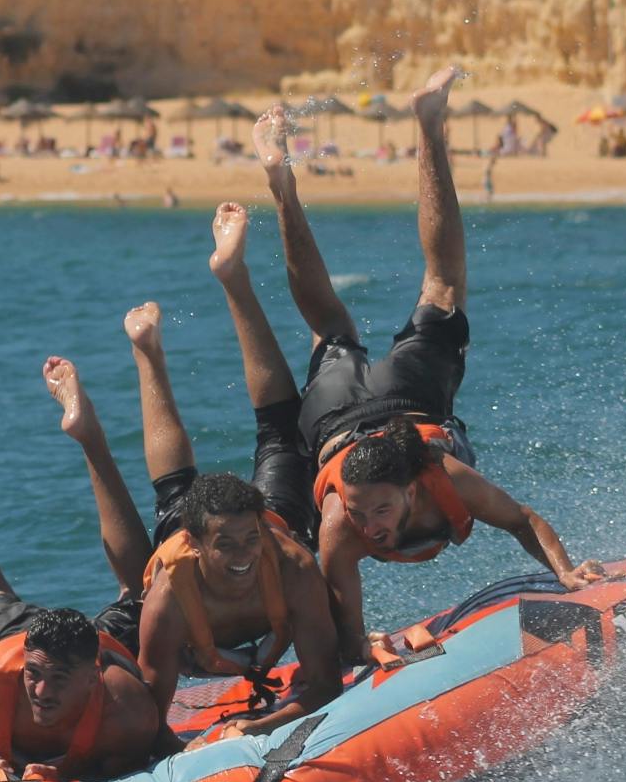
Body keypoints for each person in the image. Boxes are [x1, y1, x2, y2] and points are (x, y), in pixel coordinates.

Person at [252, 68, 603, 664]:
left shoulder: (444, 476)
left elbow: (523, 520)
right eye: (361, 511)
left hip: (358, 410)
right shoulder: (340, 524)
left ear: (415, 488)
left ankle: (303, 179)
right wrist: (359, 652)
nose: (369, 525)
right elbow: (347, 625)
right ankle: (414, 127)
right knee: (426, 291)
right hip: (370, 412)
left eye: (380, 510)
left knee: (337, 324)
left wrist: (566, 573)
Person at [106, 205, 341, 735]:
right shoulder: (170, 593)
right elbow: (153, 709)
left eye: (248, 539)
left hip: (265, 522)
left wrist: (262, 726)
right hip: (188, 555)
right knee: (183, 484)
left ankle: (234, 280)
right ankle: (148, 353)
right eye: (227, 545)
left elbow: (326, 683)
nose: (242, 556)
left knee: (282, 433)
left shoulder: (292, 567)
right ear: (195, 544)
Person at [0, 327, 165, 782]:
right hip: (19, 638)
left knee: (140, 588)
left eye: (58, 680)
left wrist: (63, 772)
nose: (40, 691)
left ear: (92, 678)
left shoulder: (126, 705)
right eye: (36, 675)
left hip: (92, 643)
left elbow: (133, 759)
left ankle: (88, 434)